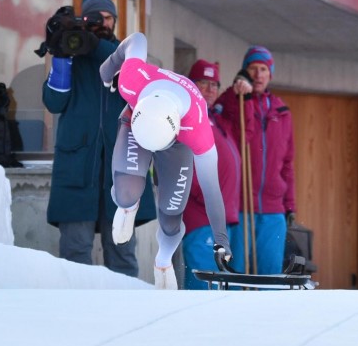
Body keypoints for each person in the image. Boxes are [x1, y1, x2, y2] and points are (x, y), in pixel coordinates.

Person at [99, 33, 233, 289]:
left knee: (171, 215)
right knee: (127, 191)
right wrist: (108, 69)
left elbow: (211, 190)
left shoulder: (198, 130)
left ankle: (163, 259)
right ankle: (127, 205)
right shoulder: (131, 81)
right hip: (136, 123)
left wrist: (220, 239)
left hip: (177, 144)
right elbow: (136, 39)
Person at [41, 0, 156, 277]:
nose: (102, 24)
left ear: (115, 22)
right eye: (96, 18)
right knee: (75, 251)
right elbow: (54, 102)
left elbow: (136, 79)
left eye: (107, 18)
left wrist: (94, 46)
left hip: (120, 170)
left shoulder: (130, 52)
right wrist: (61, 56)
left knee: (121, 251)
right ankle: (77, 315)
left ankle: (126, 313)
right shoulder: (73, 55)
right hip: (77, 168)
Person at [215, 46, 295, 275]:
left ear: (270, 74)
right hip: (240, 206)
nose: (258, 75)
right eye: (253, 69)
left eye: (263, 69)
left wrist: (290, 204)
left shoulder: (282, 111)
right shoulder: (232, 100)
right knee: (238, 272)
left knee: (270, 274)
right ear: (245, 72)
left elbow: (288, 163)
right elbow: (232, 136)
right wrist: (241, 95)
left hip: (273, 208)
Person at [182, 60, 243, 289]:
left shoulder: (216, 120)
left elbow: (235, 108)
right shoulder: (187, 117)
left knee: (225, 287)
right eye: (203, 83)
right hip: (202, 217)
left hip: (222, 220)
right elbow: (186, 167)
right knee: (204, 285)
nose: (209, 90)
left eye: (214, 84)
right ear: (191, 85)